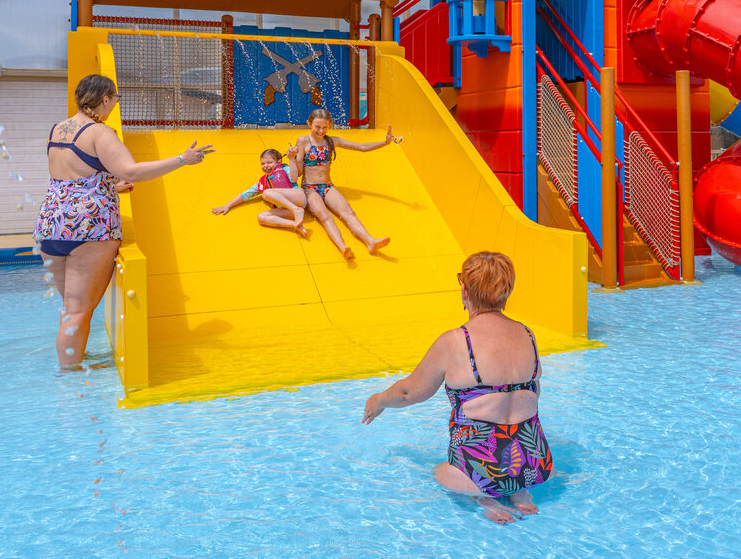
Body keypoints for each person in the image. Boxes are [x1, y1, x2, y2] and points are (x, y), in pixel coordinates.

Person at [34, 74, 213, 369]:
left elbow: (71, 178)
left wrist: (109, 186)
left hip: (51, 224)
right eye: (115, 99)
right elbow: (132, 172)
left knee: (70, 309)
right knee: (78, 312)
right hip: (88, 228)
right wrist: (182, 160)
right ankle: (70, 377)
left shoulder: (57, 130)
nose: (115, 104)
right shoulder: (99, 132)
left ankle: (70, 364)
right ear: (105, 99)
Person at [362, 251, 553, 524]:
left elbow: (408, 393)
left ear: (464, 291)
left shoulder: (455, 341)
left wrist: (379, 400)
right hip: (536, 464)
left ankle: (484, 498)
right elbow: (534, 393)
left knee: (436, 471)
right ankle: (520, 493)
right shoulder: (527, 334)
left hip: (477, 475)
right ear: (507, 291)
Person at [291, 107, 399, 259]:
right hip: (310, 189)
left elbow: (361, 147)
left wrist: (385, 143)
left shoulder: (332, 141)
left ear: (329, 124)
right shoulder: (303, 141)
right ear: (309, 124)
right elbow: (298, 173)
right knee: (325, 216)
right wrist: (292, 157)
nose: (321, 130)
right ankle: (343, 247)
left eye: (325, 127)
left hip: (328, 186)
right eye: (317, 127)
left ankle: (370, 241)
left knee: (348, 212)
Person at [211, 147, 309, 236]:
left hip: (298, 197)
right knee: (261, 217)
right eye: (262, 164)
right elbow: (245, 195)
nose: (265, 166)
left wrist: (291, 159)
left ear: (279, 162)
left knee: (266, 193)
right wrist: (227, 205)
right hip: (288, 210)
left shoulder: (284, 168)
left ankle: (296, 210)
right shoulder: (262, 182)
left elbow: (294, 178)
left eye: (269, 162)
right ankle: (295, 224)